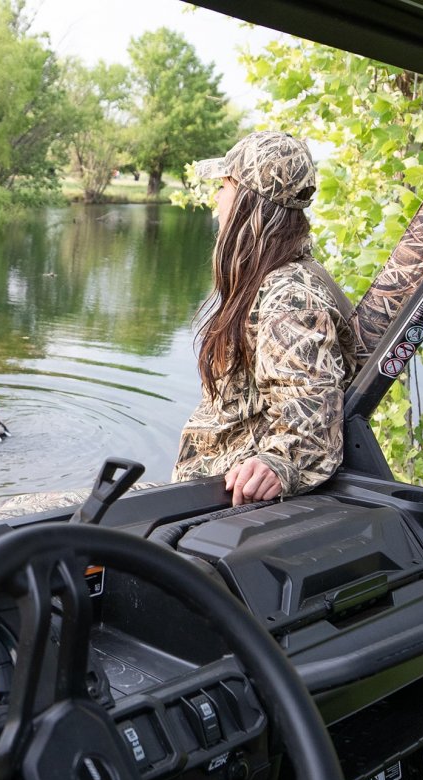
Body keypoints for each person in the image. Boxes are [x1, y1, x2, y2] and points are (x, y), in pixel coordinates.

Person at [172, 130, 359, 506]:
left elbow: (310, 426)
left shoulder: (288, 300)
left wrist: (276, 464)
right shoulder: (281, 278)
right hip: (209, 494)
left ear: (246, 202)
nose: (217, 199)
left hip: (225, 507)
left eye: (224, 187)